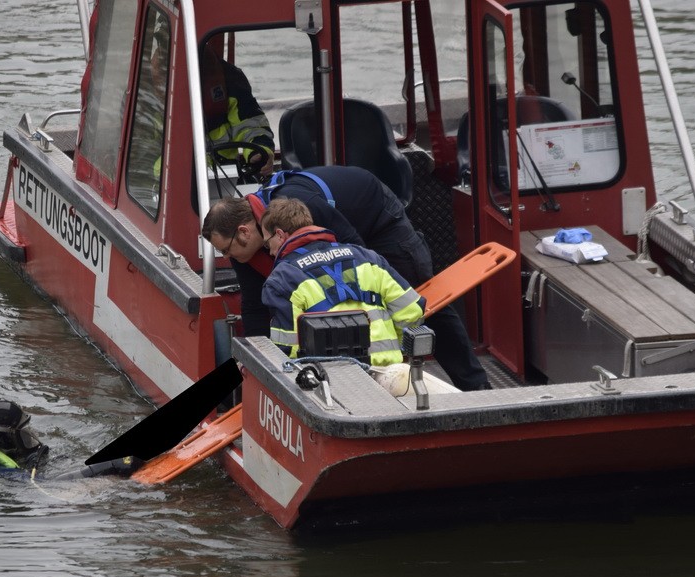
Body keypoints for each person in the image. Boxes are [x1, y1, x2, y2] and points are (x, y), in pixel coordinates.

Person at [201, 165, 491, 390]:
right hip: (345, 230)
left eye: (226, 250)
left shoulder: (299, 207)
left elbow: (357, 254)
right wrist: (259, 365)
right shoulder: (245, 245)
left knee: (416, 299)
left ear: (244, 232)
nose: (229, 258)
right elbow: (254, 307)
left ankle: (477, 387)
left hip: (377, 219)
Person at [259, 198, 424, 365]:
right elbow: (412, 309)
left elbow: (287, 348)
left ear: (279, 235)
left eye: (267, 244)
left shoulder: (282, 278)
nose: (271, 252)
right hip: (390, 371)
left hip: (331, 381)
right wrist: (393, 348)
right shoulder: (366, 257)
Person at [200, 45, 274, 177]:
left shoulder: (228, 77)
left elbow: (251, 125)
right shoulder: (153, 83)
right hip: (162, 184)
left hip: (225, 177)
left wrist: (260, 151)